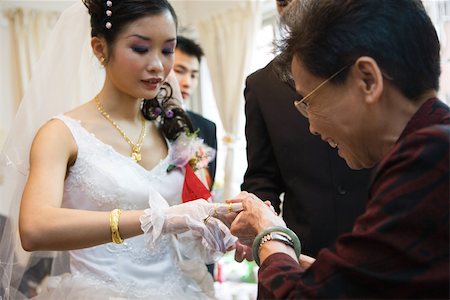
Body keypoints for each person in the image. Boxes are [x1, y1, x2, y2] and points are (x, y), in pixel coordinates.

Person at [0, 1, 240, 299]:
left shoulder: (174, 132)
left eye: (167, 50)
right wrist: (157, 218)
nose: (157, 65)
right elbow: (34, 228)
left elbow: (188, 218)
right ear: (100, 49)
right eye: (140, 49)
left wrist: (222, 222)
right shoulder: (61, 134)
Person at [230, 0, 450, 298]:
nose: (312, 127)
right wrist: (334, 277)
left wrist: (270, 232)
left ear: (367, 80)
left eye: (309, 102)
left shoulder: (428, 158)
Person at [241, 0, 372, 257]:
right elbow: (262, 177)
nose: (291, 5)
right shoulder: (262, 84)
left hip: (376, 239)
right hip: (304, 248)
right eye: (282, 2)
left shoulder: (361, 59)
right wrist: (259, 221)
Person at [173, 36, 217, 190]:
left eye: (193, 75)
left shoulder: (207, 127)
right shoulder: (145, 122)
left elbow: (207, 187)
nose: (187, 82)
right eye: (179, 71)